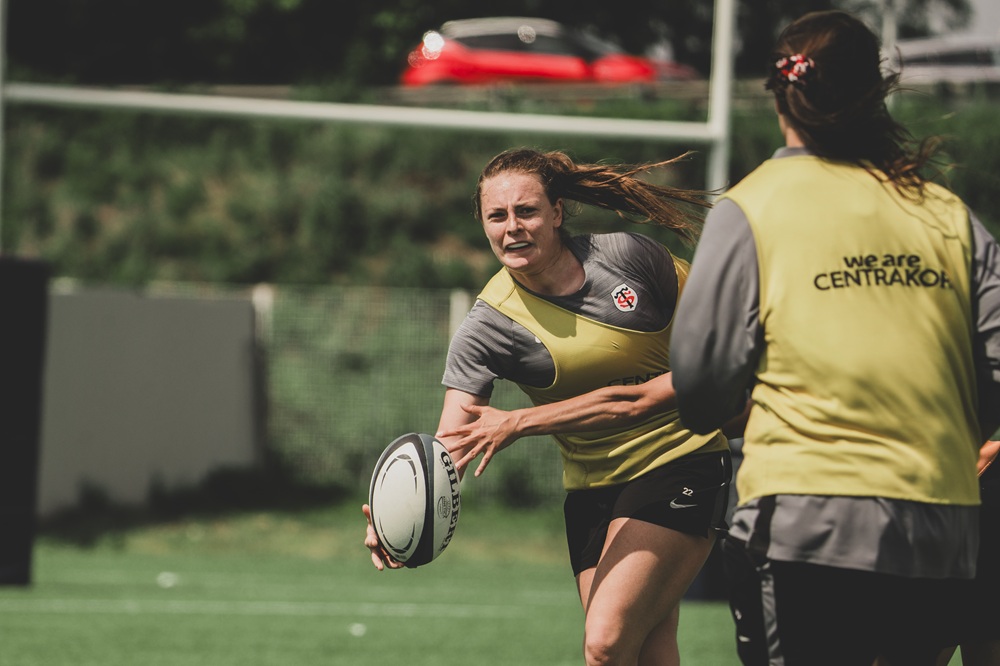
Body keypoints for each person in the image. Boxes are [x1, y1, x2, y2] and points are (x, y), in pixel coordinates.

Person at [661, 10, 1000, 666]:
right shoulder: (945, 212)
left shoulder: (753, 205)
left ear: (780, 94)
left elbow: (698, 385)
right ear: (876, 91)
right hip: (940, 525)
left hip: (805, 521)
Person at [363, 147, 734, 666]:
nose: (512, 227)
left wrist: (519, 422)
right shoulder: (488, 327)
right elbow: (452, 443)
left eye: (526, 211)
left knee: (605, 644)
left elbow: (723, 339)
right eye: (497, 216)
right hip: (592, 492)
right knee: (648, 650)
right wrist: (396, 511)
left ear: (557, 213)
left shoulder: (630, 258)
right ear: (484, 225)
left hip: (683, 461)